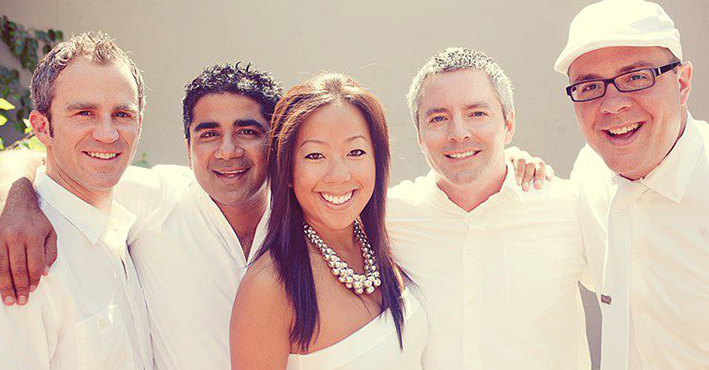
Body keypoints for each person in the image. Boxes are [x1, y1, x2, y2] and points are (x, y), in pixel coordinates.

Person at [0, 61, 283, 369]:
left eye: (248, 132)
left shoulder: (304, 218)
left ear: (276, 141)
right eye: (209, 133)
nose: (228, 151)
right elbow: (49, 162)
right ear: (188, 147)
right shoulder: (157, 200)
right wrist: (14, 199)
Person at [387, 47, 592, 369]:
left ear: (509, 123)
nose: (459, 133)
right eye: (438, 118)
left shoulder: (569, 206)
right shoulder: (390, 218)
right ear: (419, 136)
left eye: (477, 114)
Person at [229, 73, 428, 369]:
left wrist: (511, 165)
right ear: (287, 171)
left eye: (356, 152)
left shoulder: (391, 236)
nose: (339, 175)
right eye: (315, 155)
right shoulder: (270, 285)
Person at [555, 0, 709, 368]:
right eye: (590, 86)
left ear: (683, 82)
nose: (612, 104)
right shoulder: (589, 172)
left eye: (637, 77)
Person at [0, 32, 154, 369]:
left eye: (122, 115)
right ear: (42, 127)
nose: (107, 134)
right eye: (84, 113)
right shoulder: (20, 258)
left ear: (139, 124)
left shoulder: (132, 222)